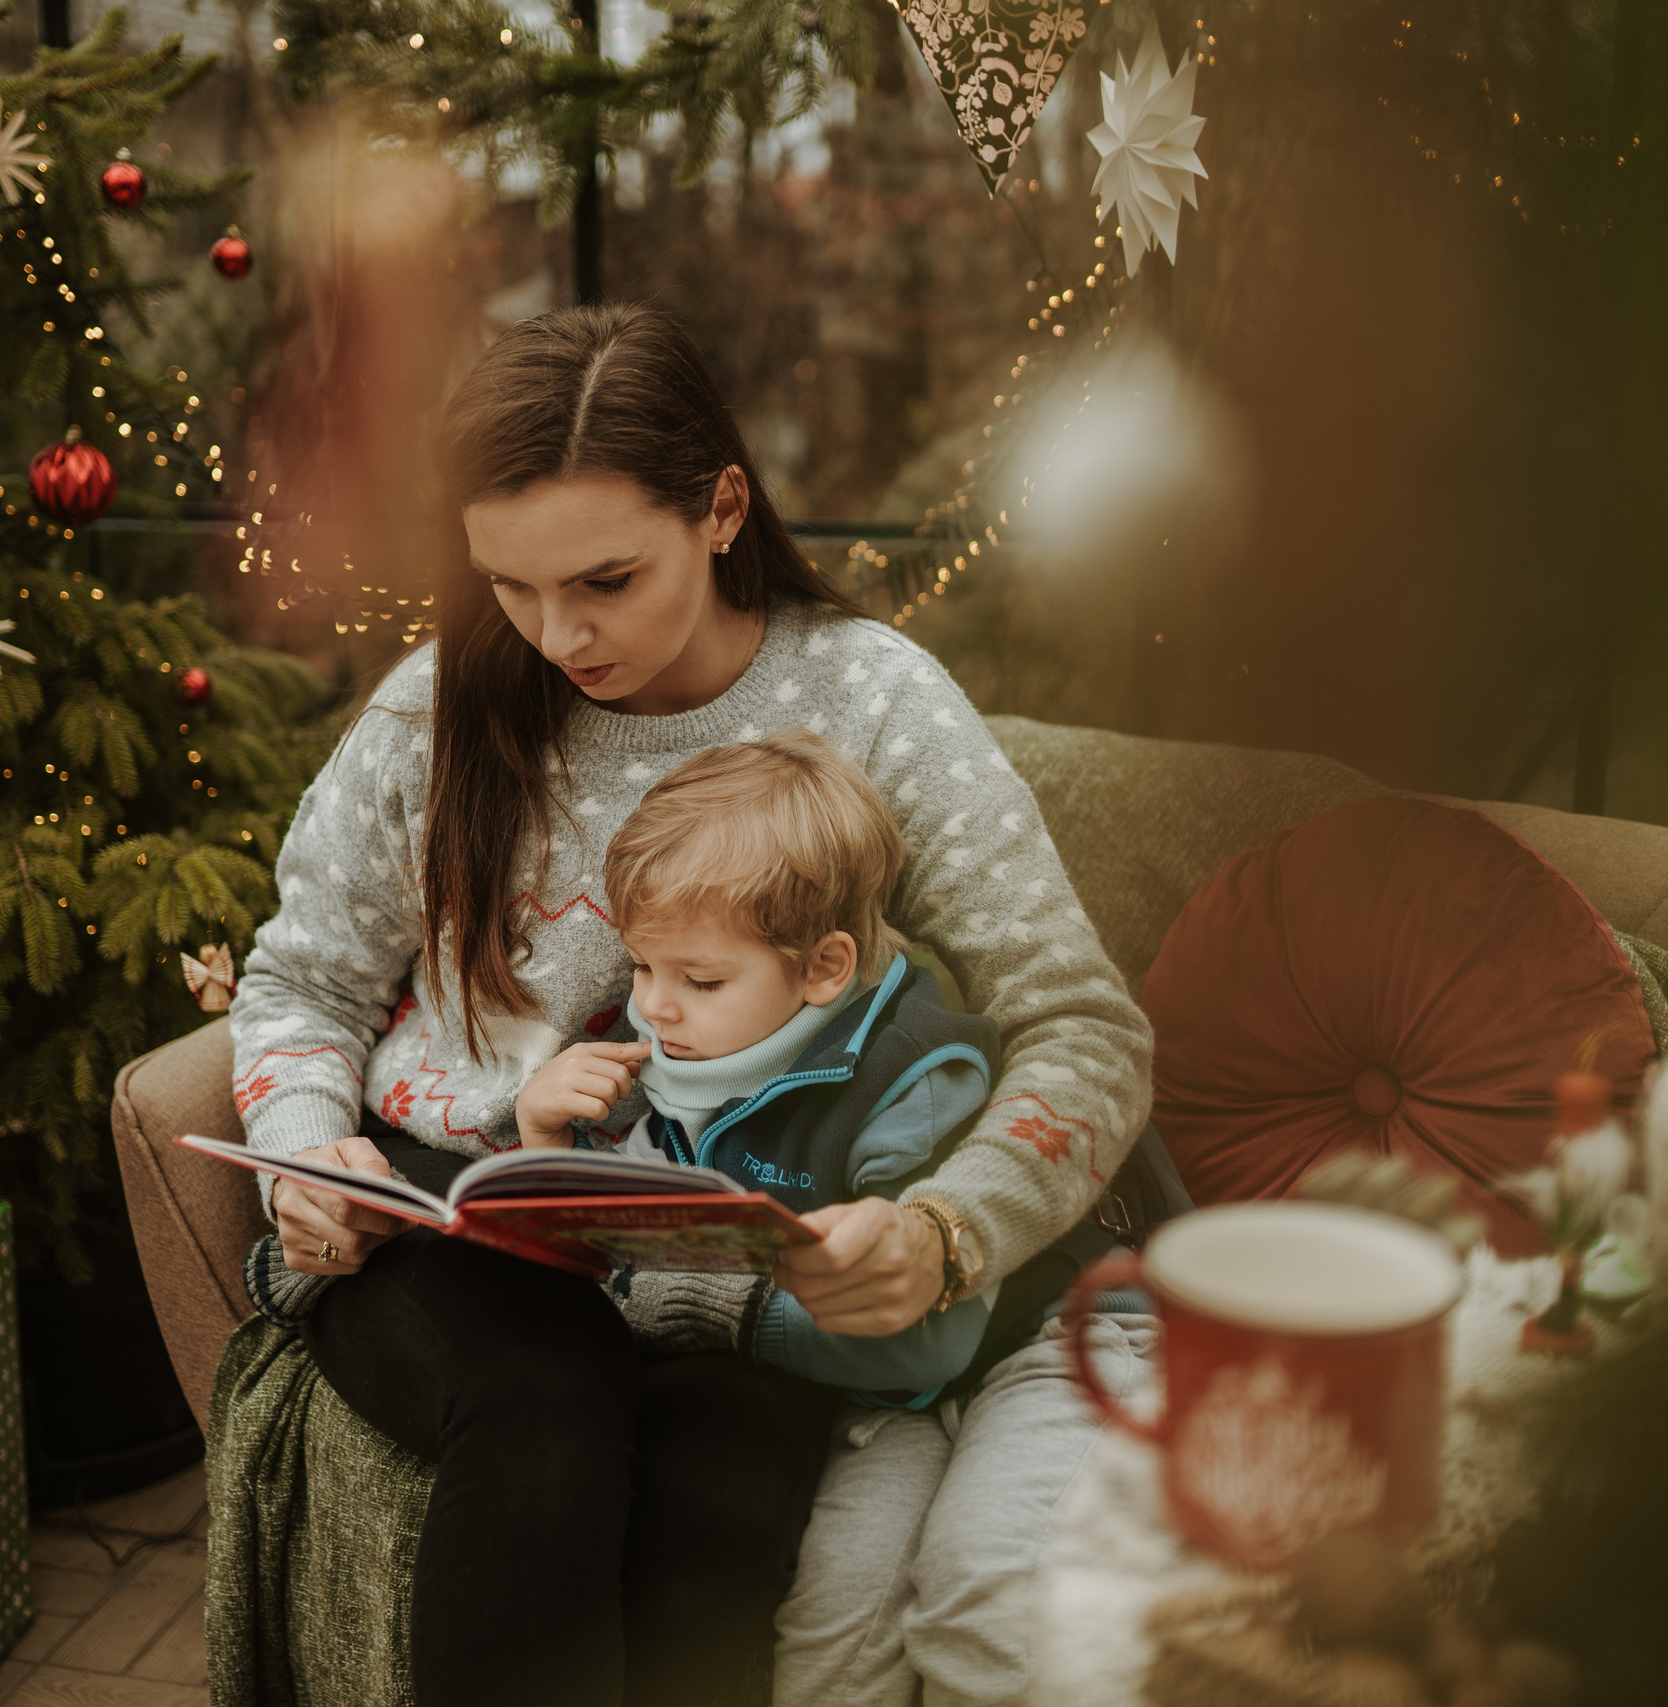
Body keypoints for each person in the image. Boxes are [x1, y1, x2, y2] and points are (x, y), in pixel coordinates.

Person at [227, 302, 1158, 1707]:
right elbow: (299, 982)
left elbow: (1084, 1027)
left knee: (729, 1480)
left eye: (603, 578)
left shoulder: (872, 701)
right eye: (510, 584)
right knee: (547, 1401)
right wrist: (307, 1144)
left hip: (713, 1226)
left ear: (723, 508)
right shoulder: (433, 712)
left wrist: (950, 1229)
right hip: (443, 1200)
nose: (555, 634)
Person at [516, 728, 1003, 1402]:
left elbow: (930, 1342)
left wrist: (724, 1310)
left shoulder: (908, 1086)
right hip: (842, 1403)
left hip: (1014, 1362)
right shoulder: (707, 1049)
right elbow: (623, 1235)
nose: (654, 1006)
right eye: (642, 964)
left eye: (703, 981)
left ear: (823, 968)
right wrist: (547, 1145)